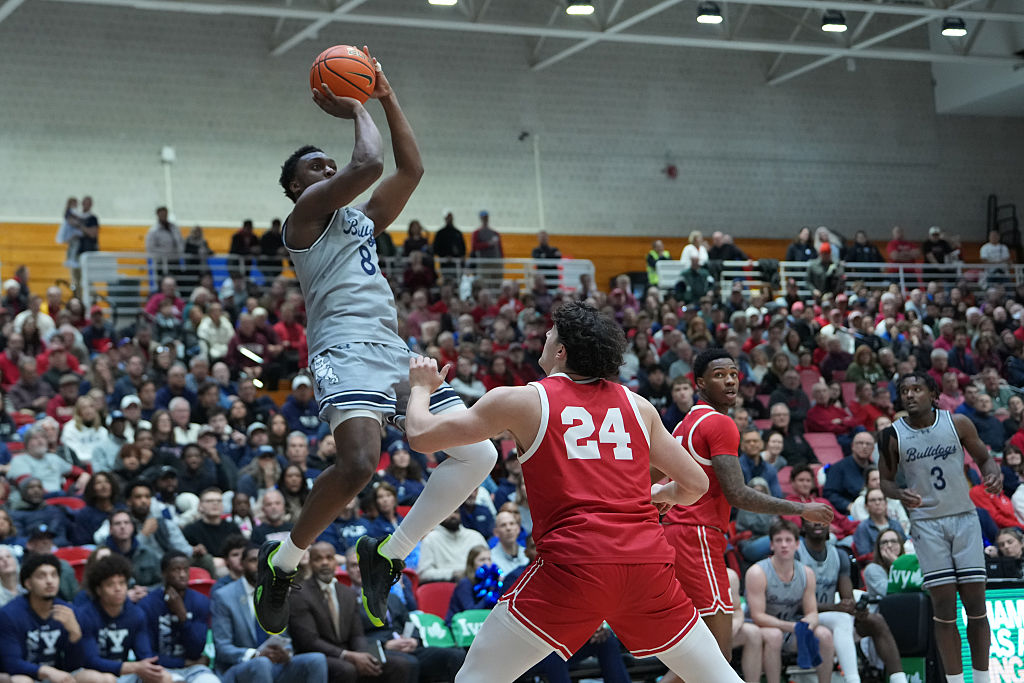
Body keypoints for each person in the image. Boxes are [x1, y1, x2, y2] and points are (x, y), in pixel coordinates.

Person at [256, 49, 497, 636]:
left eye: (327, 164)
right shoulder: (304, 220)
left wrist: (387, 98)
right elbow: (366, 164)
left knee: (481, 453)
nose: (327, 169)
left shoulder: (360, 221)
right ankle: (283, 563)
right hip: (342, 349)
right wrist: (357, 105)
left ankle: (388, 553)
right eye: (316, 167)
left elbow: (409, 171)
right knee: (360, 464)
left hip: (391, 349)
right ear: (295, 187)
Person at [403, 300, 745, 683]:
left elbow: (419, 436)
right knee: (720, 678)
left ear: (561, 351)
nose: (545, 340)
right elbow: (696, 484)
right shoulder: (639, 406)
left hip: (574, 567)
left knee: (477, 678)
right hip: (647, 569)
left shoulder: (521, 400)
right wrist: (659, 497)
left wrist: (420, 388)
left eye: (549, 335)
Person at [660, 348, 832, 682]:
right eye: (718, 375)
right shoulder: (719, 424)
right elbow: (738, 493)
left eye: (733, 374)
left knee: (701, 655)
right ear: (700, 383)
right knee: (717, 655)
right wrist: (801, 508)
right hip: (696, 535)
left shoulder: (683, 424)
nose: (729, 381)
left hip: (677, 534)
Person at [879, 371, 1000, 683]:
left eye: (917, 389)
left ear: (933, 394)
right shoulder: (892, 435)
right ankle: (956, 681)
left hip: (964, 518)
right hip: (927, 524)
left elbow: (985, 459)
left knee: (976, 603)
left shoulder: (957, 423)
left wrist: (993, 473)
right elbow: (886, 481)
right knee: (944, 607)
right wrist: (898, 492)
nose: (909, 395)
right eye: (904, 390)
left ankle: (983, 678)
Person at [797, 519, 907, 683]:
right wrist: (836, 607)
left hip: (830, 616)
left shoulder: (839, 554)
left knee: (875, 620)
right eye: (812, 520)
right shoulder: (797, 554)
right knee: (840, 618)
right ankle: (852, 679)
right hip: (802, 616)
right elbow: (795, 603)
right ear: (803, 526)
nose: (818, 524)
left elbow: (846, 599)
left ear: (830, 525)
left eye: (822, 520)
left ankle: (899, 679)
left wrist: (857, 609)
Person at [287, 541, 412, 683]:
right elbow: (309, 641)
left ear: (336, 562)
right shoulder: (299, 594)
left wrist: (362, 655)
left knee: (400, 665)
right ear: (310, 563)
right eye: (318, 559)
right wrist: (349, 656)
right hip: (319, 656)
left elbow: (357, 634)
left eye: (329, 558)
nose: (325, 563)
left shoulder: (347, 592)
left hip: (349, 653)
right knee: (346, 670)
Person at [212, 544, 328, 683]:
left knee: (317, 660)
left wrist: (286, 652)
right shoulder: (224, 596)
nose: (259, 566)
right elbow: (222, 647)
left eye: (263, 562)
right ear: (242, 564)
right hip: (239, 666)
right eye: (253, 560)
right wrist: (256, 655)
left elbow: (284, 636)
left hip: (274, 664)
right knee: (261, 663)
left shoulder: (276, 592)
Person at [745, 520, 836, 683]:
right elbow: (758, 616)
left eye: (788, 540)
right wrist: (793, 627)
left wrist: (808, 624)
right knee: (774, 636)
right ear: (772, 545)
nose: (784, 545)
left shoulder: (806, 573)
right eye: (779, 541)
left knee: (825, 635)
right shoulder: (757, 572)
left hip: (789, 626)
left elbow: (812, 612)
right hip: (759, 627)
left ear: (797, 544)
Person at [0, 554, 104, 683]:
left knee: (100, 678)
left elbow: (75, 665)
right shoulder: (9, 614)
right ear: (28, 584)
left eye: (54, 575)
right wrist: (46, 671)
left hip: (60, 676)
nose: (50, 581)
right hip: (29, 675)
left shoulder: (70, 612)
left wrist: (75, 634)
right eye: (41, 576)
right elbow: (11, 663)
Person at [74, 554, 172, 683]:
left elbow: (145, 656)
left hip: (124, 673)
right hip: (89, 674)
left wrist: (148, 668)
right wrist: (134, 667)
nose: (118, 589)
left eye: (122, 583)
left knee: (163, 677)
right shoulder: (85, 615)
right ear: (98, 590)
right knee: (106, 680)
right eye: (110, 585)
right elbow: (91, 661)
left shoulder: (136, 614)